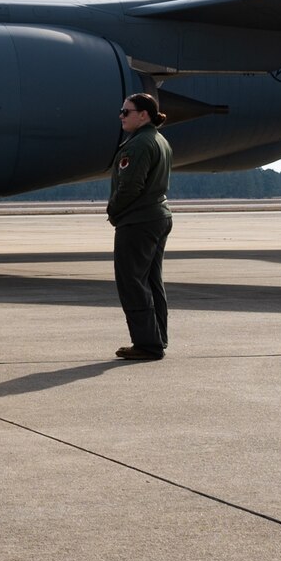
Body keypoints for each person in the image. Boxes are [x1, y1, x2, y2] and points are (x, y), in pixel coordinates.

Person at [109, 91, 174, 361]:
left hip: (139, 221)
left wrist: (113, 210)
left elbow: (130, 187)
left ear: (143, 115)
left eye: (127, 112)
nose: (121, 116)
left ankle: (147, 344)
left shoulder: (137, 145)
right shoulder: (159, 140)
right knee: (150, 280)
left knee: (132, 282)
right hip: (157, 216)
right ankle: (157, 337)